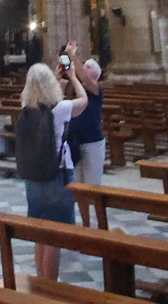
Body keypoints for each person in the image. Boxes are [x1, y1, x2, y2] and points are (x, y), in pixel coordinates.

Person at [17, 47, 88, 281]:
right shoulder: (60, 110)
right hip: (55, 176)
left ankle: (40, 282)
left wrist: (55, 79)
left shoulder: (26, 110)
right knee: (54, 236)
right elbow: (83, 102)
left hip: (33, 176)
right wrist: (74, 77)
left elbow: (45, 95)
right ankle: (50, 287)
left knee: (40, 233)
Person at [67, 57, 107, 224]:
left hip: (92, 143)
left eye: (88, 66)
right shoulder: (76, 90)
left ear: (96, 75)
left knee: (93, 188)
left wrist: (72, 55)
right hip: (75, 143)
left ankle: (101, 225)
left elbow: (84, 78)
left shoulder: (96, 89)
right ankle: (85, 225)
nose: (84, 67)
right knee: (79, 188)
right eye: (84, 65)